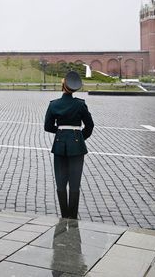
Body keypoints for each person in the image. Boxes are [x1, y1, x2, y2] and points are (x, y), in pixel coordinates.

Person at [44, 70, 94, 219]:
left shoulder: (54, 105)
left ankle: (64, 215)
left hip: (59, 145)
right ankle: (72, 217)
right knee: (74, 183)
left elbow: (47, 126)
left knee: (60, 183)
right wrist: (78, 137)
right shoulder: (80, 104)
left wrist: (61, 133)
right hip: (77, 146)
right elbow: (90, 126)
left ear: (63, 86)